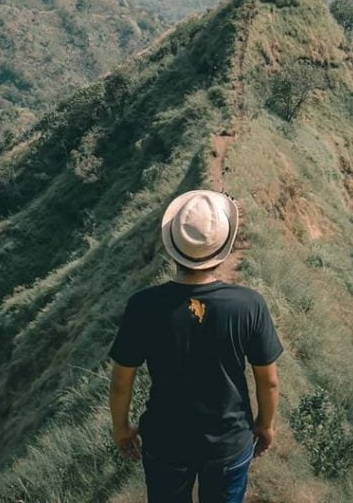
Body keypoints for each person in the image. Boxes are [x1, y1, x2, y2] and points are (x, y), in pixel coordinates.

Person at [109, 189, 283, 503]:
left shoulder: (144, 305)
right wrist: (265, 424)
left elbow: (122, 381)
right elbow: (267, 380)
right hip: (229, 441)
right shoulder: (249, 305)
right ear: (223, 250)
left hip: (166, 441)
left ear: (172, 248)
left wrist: (121, 428)